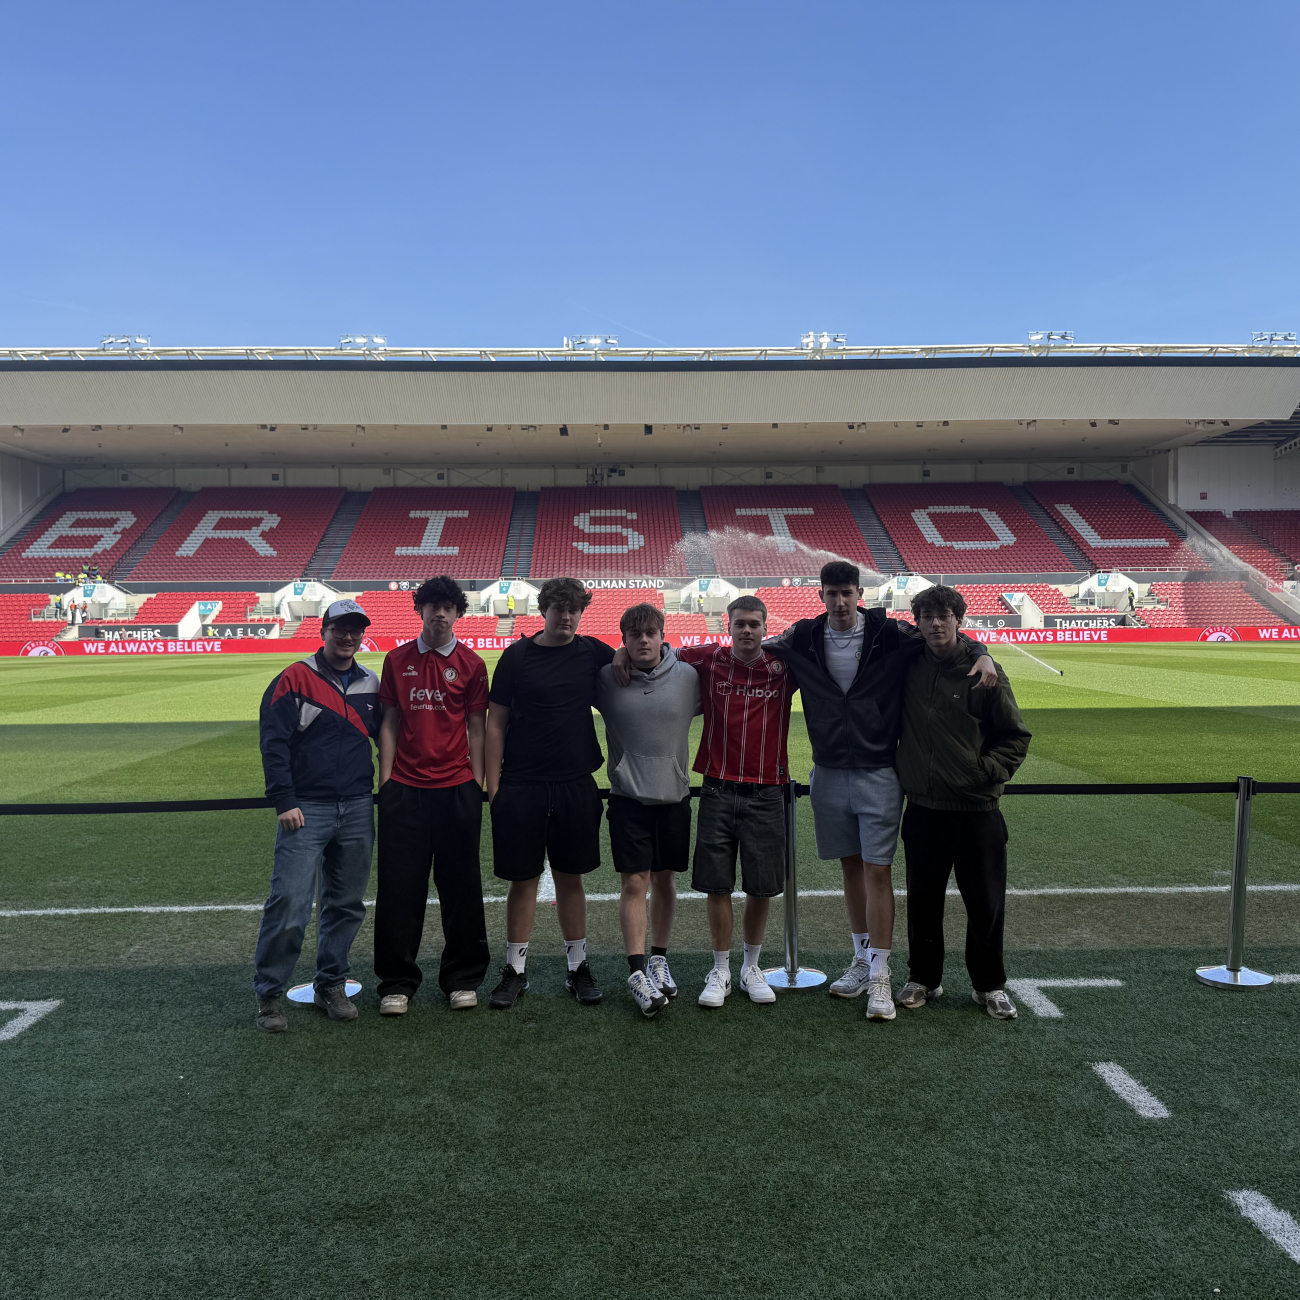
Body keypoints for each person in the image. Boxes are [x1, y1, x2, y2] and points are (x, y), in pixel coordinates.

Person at [763, 562, 995, 1021]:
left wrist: (981, 650)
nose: (840, 601)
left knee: (877, 872)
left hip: (879, 772)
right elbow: (752, 645)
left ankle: (882, 976)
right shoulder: (804, 637)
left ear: (860, 593)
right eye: (832, 593)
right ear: (821, 595)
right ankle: (861, 961)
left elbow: (940, 637)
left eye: (847, 593)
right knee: (851, 869)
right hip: (828, 772)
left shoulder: (890, 633)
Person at [892, 585, 1032, 1021]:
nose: (936, 623)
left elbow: (1015, 737)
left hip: (977, 812)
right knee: (923, 901)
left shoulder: (985, 671)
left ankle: (988, 985)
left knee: (985, 903)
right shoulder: (908, 663)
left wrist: (983, 773)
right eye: (928, 616)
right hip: (923, 809)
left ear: (959, 620)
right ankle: (924, 979)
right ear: (917, 621)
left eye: (945, 616)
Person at [252, 599, 382, 1032]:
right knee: (289, 903)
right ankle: (269, 995)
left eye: (355, 630)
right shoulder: (295, 677)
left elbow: (386, 738)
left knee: (345, 905)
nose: (348, 637)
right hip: (306, 808)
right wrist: (284, 799)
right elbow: (273, 742)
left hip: (359, 806)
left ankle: (332, 983)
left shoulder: (370, 682)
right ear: (323, 631)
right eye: (340, 629)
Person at [485, 577, 614, 1009]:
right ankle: (514, 972)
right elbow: (495, 722)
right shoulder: (517, 656)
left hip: (575, 783)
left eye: (574, 608)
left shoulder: (594, 653)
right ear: (543, 610)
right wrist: (494, 786)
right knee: (522, 882)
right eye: (559, 607)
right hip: (520, 784)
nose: (566, 615)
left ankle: (577, 967)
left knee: (570, 880)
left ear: (582, 611)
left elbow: (633, 674)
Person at [374, 575, 491, 1015]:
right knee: (399, 888)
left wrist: (474, 783)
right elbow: (388, 722)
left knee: (461, 887)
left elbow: (477, 728)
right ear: (419, 610)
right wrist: (386, 780)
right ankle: (396, 984)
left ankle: (462, 979)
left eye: (448, 607)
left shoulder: (472, 664)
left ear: (458, 613)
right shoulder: (396, 659)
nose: (439, 613)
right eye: (432, 605)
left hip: (456, 789)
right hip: (403, 790)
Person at [671, 596, 795, 1008]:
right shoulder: (708, 660)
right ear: (728, 625)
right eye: (740, 623)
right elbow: (657, 651)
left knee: (761, 888)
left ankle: (750, 966)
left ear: (765, 627)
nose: (747, 630)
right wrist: (621, 655)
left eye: (754, 624)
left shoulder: (783, 665)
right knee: (717, 884)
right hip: (717, 788)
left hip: (766, 791)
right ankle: (720, 968)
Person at [596, 603, 702, 1016]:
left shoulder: (689, 677)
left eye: (650, 633)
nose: (643, 640)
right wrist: (614, 657)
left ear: (662, 636)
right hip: (628, 799)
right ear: (623, 639)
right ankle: (637, 971)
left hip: (674, 796)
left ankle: (659, 957)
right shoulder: (607, 678)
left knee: (665, 880)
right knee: (634, 883)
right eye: (634, 634)